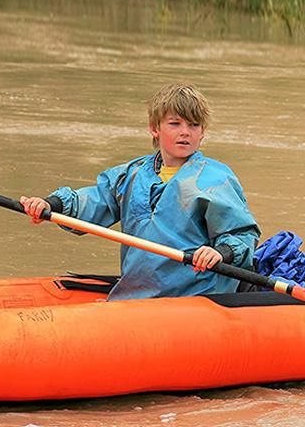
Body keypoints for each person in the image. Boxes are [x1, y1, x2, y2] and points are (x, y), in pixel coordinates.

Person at [20, 84, 260, 300]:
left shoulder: (216, 180)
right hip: (137, 295)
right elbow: (92, 202)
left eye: (193, 125)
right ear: (154, 129)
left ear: (202, 132)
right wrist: (50, 204)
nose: (185, 132)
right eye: (175, 124)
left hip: (194, 297)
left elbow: (241, 235)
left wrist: (219, 252)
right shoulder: (131, 174)